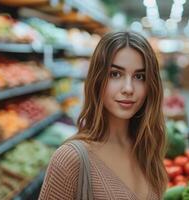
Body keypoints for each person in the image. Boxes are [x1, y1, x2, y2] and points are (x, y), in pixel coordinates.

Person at [39, 31, 167, 200]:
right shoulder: (70, 159)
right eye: (115, 74)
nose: (128, 88)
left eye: (139, 76)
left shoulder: (148, 150)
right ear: (97, 80)